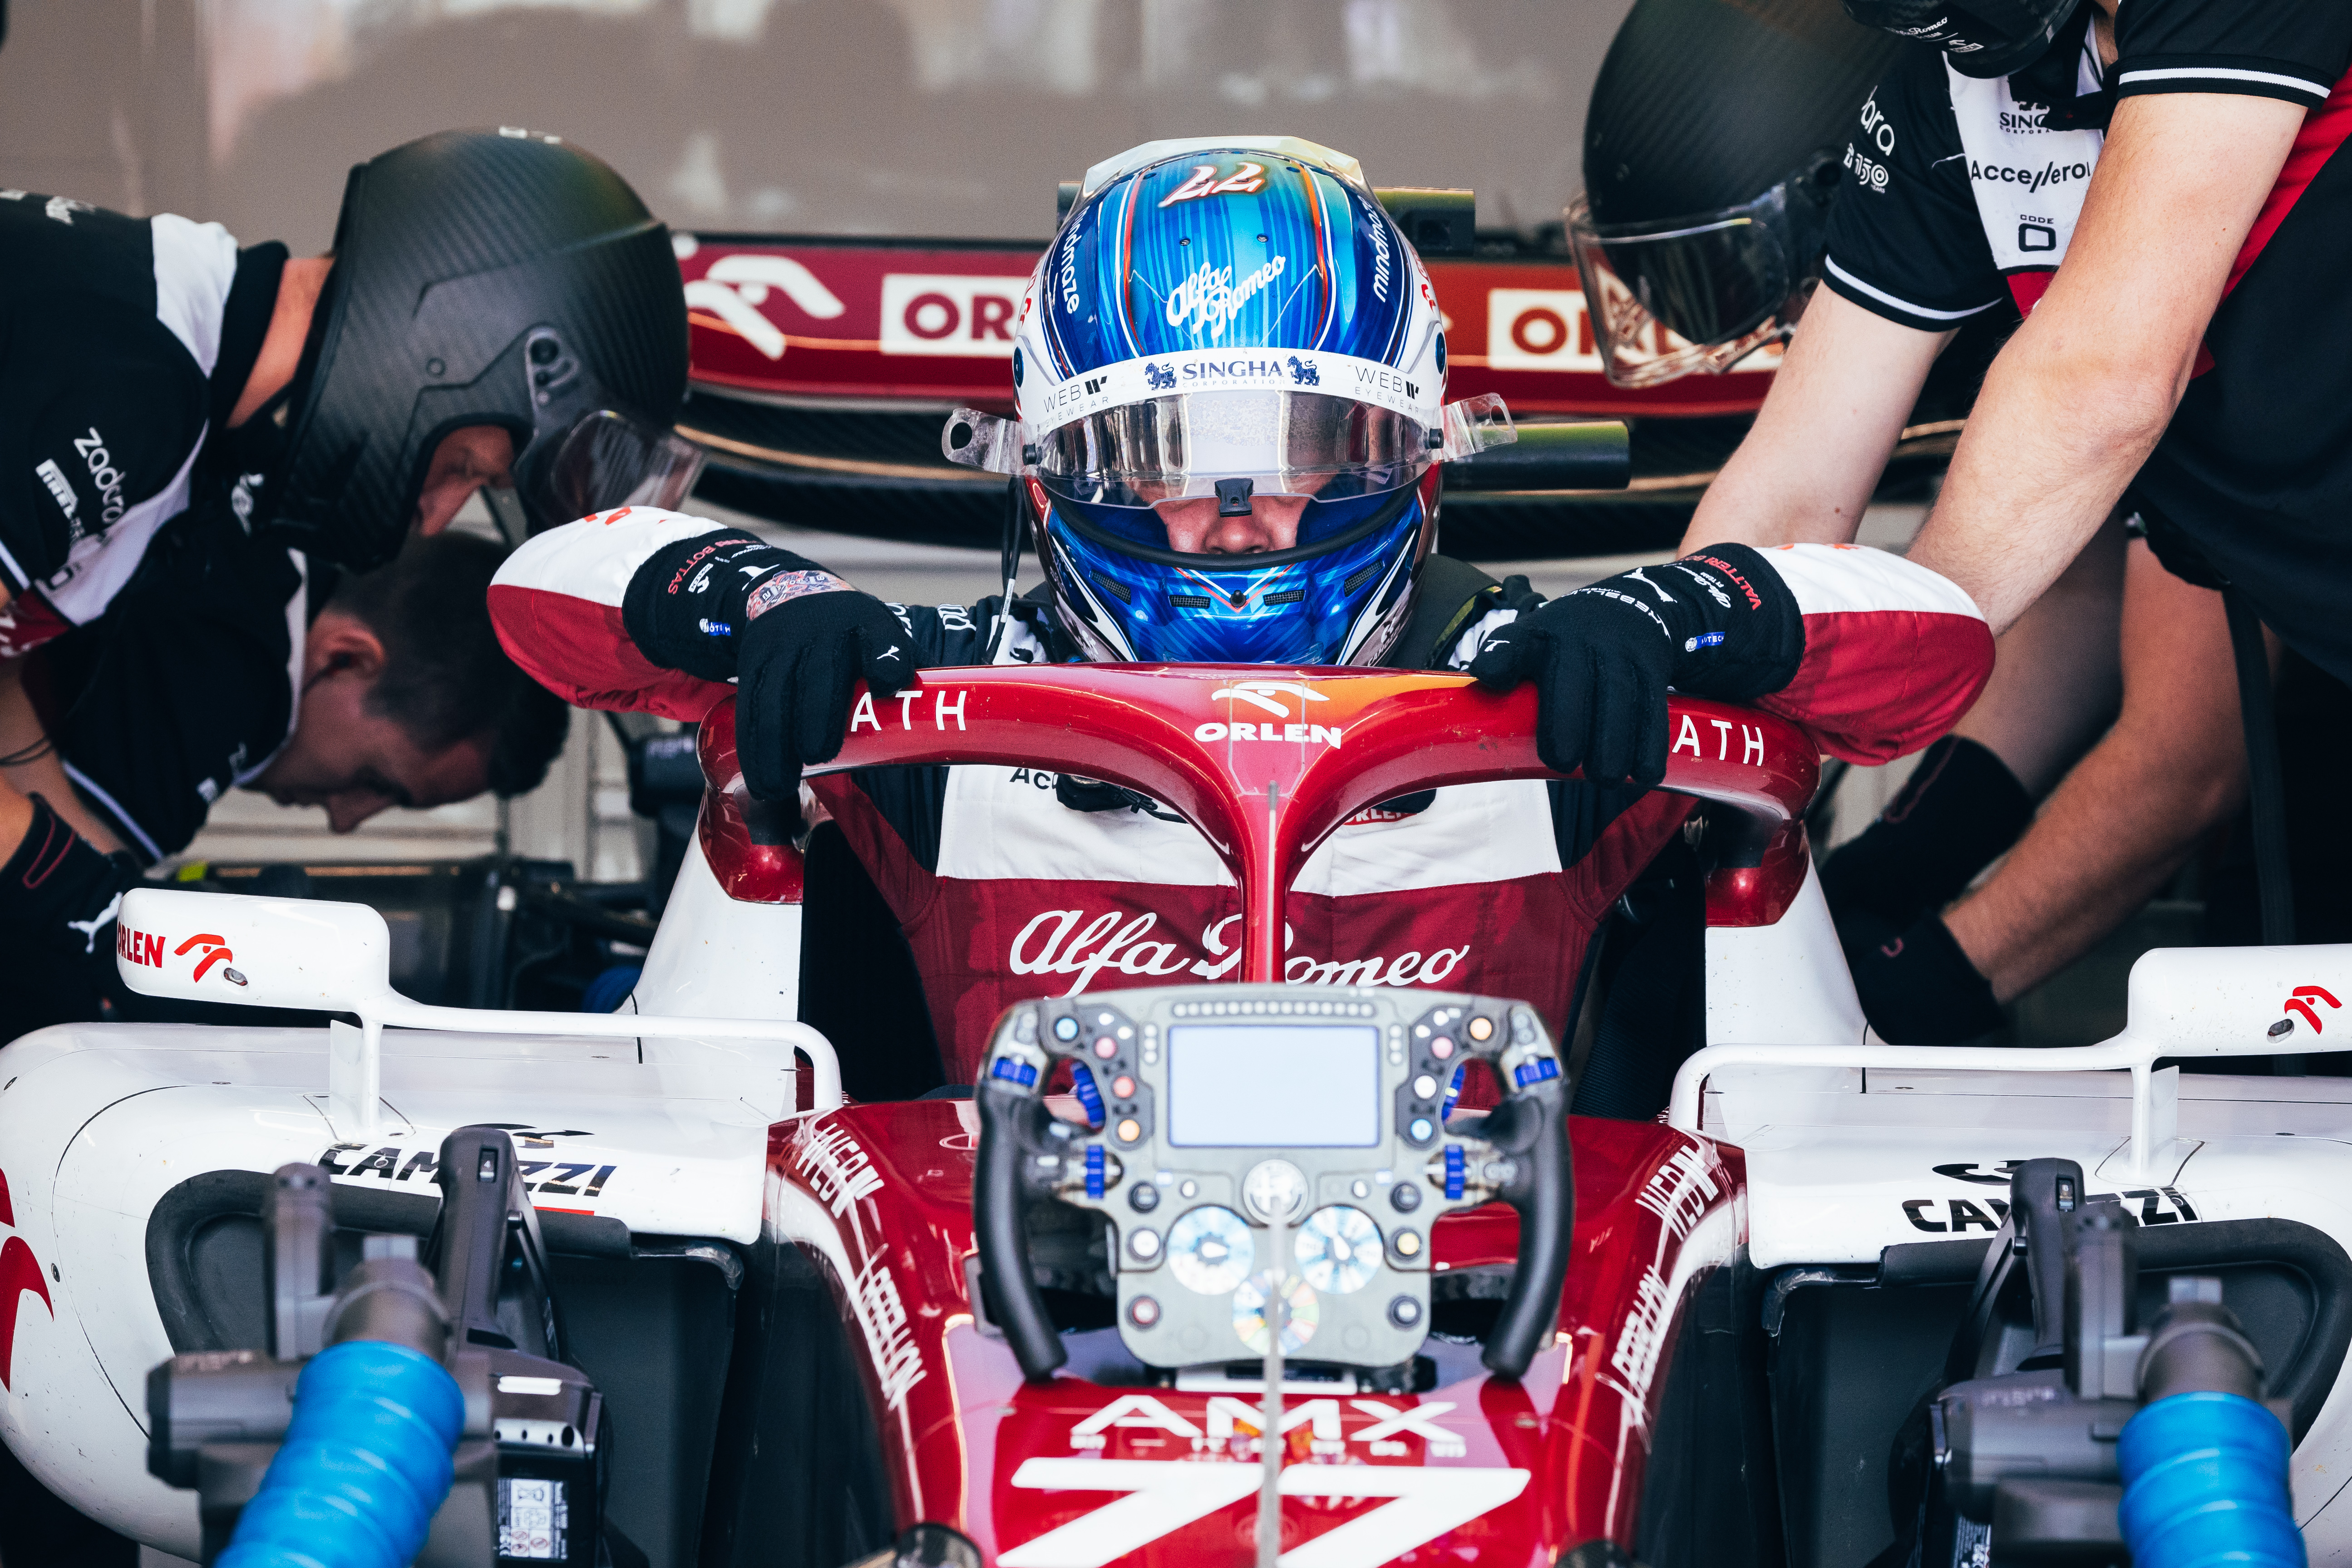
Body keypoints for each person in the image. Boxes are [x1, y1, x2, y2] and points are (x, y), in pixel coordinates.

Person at [488, 136, 1993, 1105]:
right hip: (992, 1343)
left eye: (1303, 450)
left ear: (1413, 456)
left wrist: (1682, 615)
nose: (1233, 517)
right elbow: (545, 588)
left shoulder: (1572, 710)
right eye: (1149, 457)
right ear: (1046, 471)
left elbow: (1928, 643)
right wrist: (758, 599)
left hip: (1505, 1347)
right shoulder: (905, 723)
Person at [1570, 0, 2350, 1040]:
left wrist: (1936, 957)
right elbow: (1797, 491)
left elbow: (2102, 385)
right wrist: (1653, 796)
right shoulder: (1954, 95)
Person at [0, 126, 699, 1030]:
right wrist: (76, 901)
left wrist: (117, 913)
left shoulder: (191, 413)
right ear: (434, 350)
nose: (437, 516)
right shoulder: (136, 377)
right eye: (461, 466)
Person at [0, 528, 569, 1035]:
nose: (343, 819)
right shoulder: (231, 676)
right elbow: (82, 919)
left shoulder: (253, 555)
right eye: (375, 781)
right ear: (347, 658)